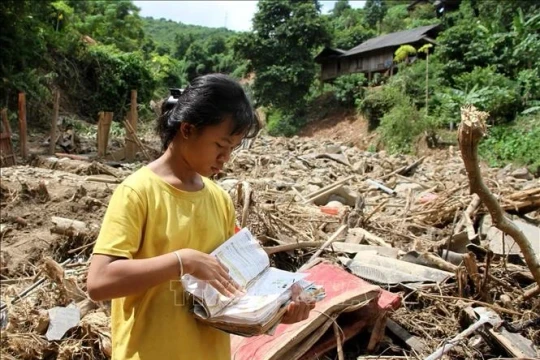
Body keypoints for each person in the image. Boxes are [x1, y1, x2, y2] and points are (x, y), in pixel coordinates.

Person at [86, 73, 315, 360]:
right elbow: (99, 282)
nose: (225, 158)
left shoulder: (218, 199)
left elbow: (233, 288)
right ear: (187, 129)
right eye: (220, 146)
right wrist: (183, 262)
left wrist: (278, 312)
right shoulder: (138, 192)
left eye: (232, 149)